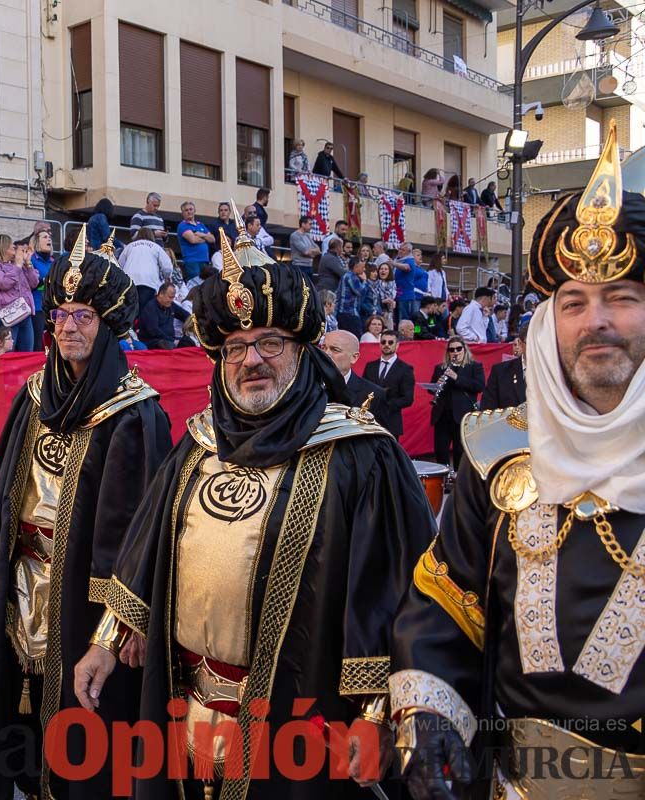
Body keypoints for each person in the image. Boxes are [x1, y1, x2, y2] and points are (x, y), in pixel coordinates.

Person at [73, 230, 436, 800]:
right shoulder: (197, 443)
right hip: (187, 707)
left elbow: (391, 597)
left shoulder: (362, 456)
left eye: (270, 342)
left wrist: (376, 712)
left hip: (302, 720)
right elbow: (146, 549)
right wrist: (105, 638)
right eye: (236, 348)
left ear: (301, 350)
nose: (252, 361)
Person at [392, 126, 645, 800]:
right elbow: (444, 607)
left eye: (622, 297)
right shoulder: (496, 455)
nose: (597, 321)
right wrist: (429, 719)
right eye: (573, 302)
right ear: (547, 323)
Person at [0, 226, 171, 800]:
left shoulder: (135, 414)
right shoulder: (35, 393)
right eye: (60, 315)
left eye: (83, 316)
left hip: (84, 590)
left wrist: (122, 623)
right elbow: (4, 478)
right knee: (16, 692)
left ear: (106, 327)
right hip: (23, 574)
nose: (68, 328)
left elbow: (140, 535)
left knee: (80, 712)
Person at [429, 336, 484, 469]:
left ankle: (459, 481)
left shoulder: (474, 367)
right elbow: (432, 389)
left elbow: (479, 386)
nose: (455, 352)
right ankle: (443, 480)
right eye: (452, 350)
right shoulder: (441, 368)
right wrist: (436, 386)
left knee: (460, 451)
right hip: (442, 415)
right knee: (441, 450)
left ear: (464, 350)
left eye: (459, 349)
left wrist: (457, 377)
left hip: (462, 416)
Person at [0, 233, 39, 353]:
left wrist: (28, 263)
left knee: (27, 353)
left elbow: (34, 283)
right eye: (11, 245)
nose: (14, 247)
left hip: (23, 312)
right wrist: (17, 265)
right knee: (8, 353)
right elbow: (4, 283)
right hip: (5, 315)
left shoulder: (15, 265)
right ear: (2, 247)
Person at [323, 329, 391, 431]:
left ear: (354, 358)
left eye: (335, 350)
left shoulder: (374, 394)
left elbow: (381, 439)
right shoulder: (303, 386)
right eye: (323, 348)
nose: (326, 354)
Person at [362, 329, 416, 438]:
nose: (386, 345)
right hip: (370, 422)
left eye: (390, 342)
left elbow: (408, 399)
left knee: (390, 455)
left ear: (397, 345)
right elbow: (363, 390)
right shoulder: (370, 366)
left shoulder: (405, 369)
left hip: (391, 422)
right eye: (383, 342)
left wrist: (385, 405)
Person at [119, 225, 173, 312]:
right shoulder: (156, 247)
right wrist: (164, 277)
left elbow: (120, 265)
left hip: (129, 283)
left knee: (129, 312)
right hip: (149, 283)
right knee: (144, 312)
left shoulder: (129, 246)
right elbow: (168, 267)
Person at [480, 326, 527, 410]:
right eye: (532, 342)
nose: (537, 347)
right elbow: (488, 412)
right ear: (520, 343)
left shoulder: (555, 372)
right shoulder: (500, 372)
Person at [138, 280, 190, 350]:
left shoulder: (171, 305)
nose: (172, 300)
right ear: (161, 294)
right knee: (166, 344)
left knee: (188, 342)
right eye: (170, 297)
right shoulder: (150, 307)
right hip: (154, 341)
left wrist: (191, 322)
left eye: (173, 297)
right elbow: (154, 331)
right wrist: (173, 341)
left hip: (171, 339)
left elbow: (185, 315)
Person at [29, 228, 54, 350]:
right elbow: (31, 282)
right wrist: (43, 281)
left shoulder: (53, 261)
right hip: (37, 306)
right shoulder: (32, 259)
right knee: (38, 342)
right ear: (36, 242)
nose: (49, 238)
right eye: (45, 237)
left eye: (49, 237)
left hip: (52, 306)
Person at [176, 201, 213, 282]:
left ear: (194, 210)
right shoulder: (183, 225)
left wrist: (200, 234)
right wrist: (205, 238)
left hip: (204, 261)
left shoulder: (201, 225)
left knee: (206, 287)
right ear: (182, 213)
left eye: (190, 209)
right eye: (186, 210)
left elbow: (212, 239)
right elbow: (193, 240)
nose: (189, 211)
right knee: (195, 287)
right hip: (192, 262)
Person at [288, 215, 318, 282]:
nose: (311, 226)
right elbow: (305, 251)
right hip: (299, 266)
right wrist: (312, 252)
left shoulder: (308, 236)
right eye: (310, 224)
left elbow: (318, 250)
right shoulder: (295, 235)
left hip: (309, 266)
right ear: (303, 224)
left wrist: (311, 252)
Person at [372, 257, 397, 327]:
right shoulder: (375, 283)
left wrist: (391, 302)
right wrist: (384, 301)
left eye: (386, 269)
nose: (383, 271)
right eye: (381, 269)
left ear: (389, 272)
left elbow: (392, 296)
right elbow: (374, 297)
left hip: (388, 311)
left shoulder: (393, 283)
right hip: (378, 311)